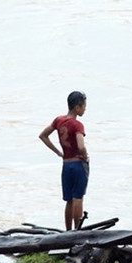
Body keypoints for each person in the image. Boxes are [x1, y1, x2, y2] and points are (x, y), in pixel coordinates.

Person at [39, 91, 90, 230]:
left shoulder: (59, 120)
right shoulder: (77, 125)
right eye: (84, 106)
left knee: (69, 200)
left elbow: (43, 135)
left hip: (66, 164)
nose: (85, 109)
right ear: (77, 107)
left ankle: (68, 232)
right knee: (78, 198)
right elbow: (80, 146)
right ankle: (77, 231)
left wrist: (58, 152)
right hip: (78, 164)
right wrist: (85, 156)